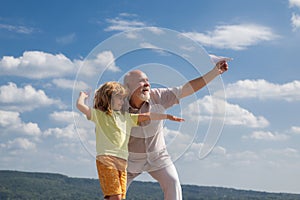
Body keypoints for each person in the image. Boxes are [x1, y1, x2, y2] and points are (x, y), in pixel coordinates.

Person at [123, 60, 229, 200]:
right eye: (141, 81)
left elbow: (186, 89)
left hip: (158, 156)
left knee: (172, 183)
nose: (147, 84)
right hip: (130, 159)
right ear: (128, 88)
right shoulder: (117, 105)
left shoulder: (158, 96)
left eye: (147, 80)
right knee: (114, 193)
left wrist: (214, 73)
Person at [76, 81, 184, 200]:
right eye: (120, 99)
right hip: (107, 160)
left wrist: (167, 116)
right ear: (110, 98)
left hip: (122, 162)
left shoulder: (126, 117)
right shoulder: (99, 115)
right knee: (116, 197)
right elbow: (81, 106)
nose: (123, 102)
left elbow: (147, 115)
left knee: (119, 196)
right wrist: (82, 96)